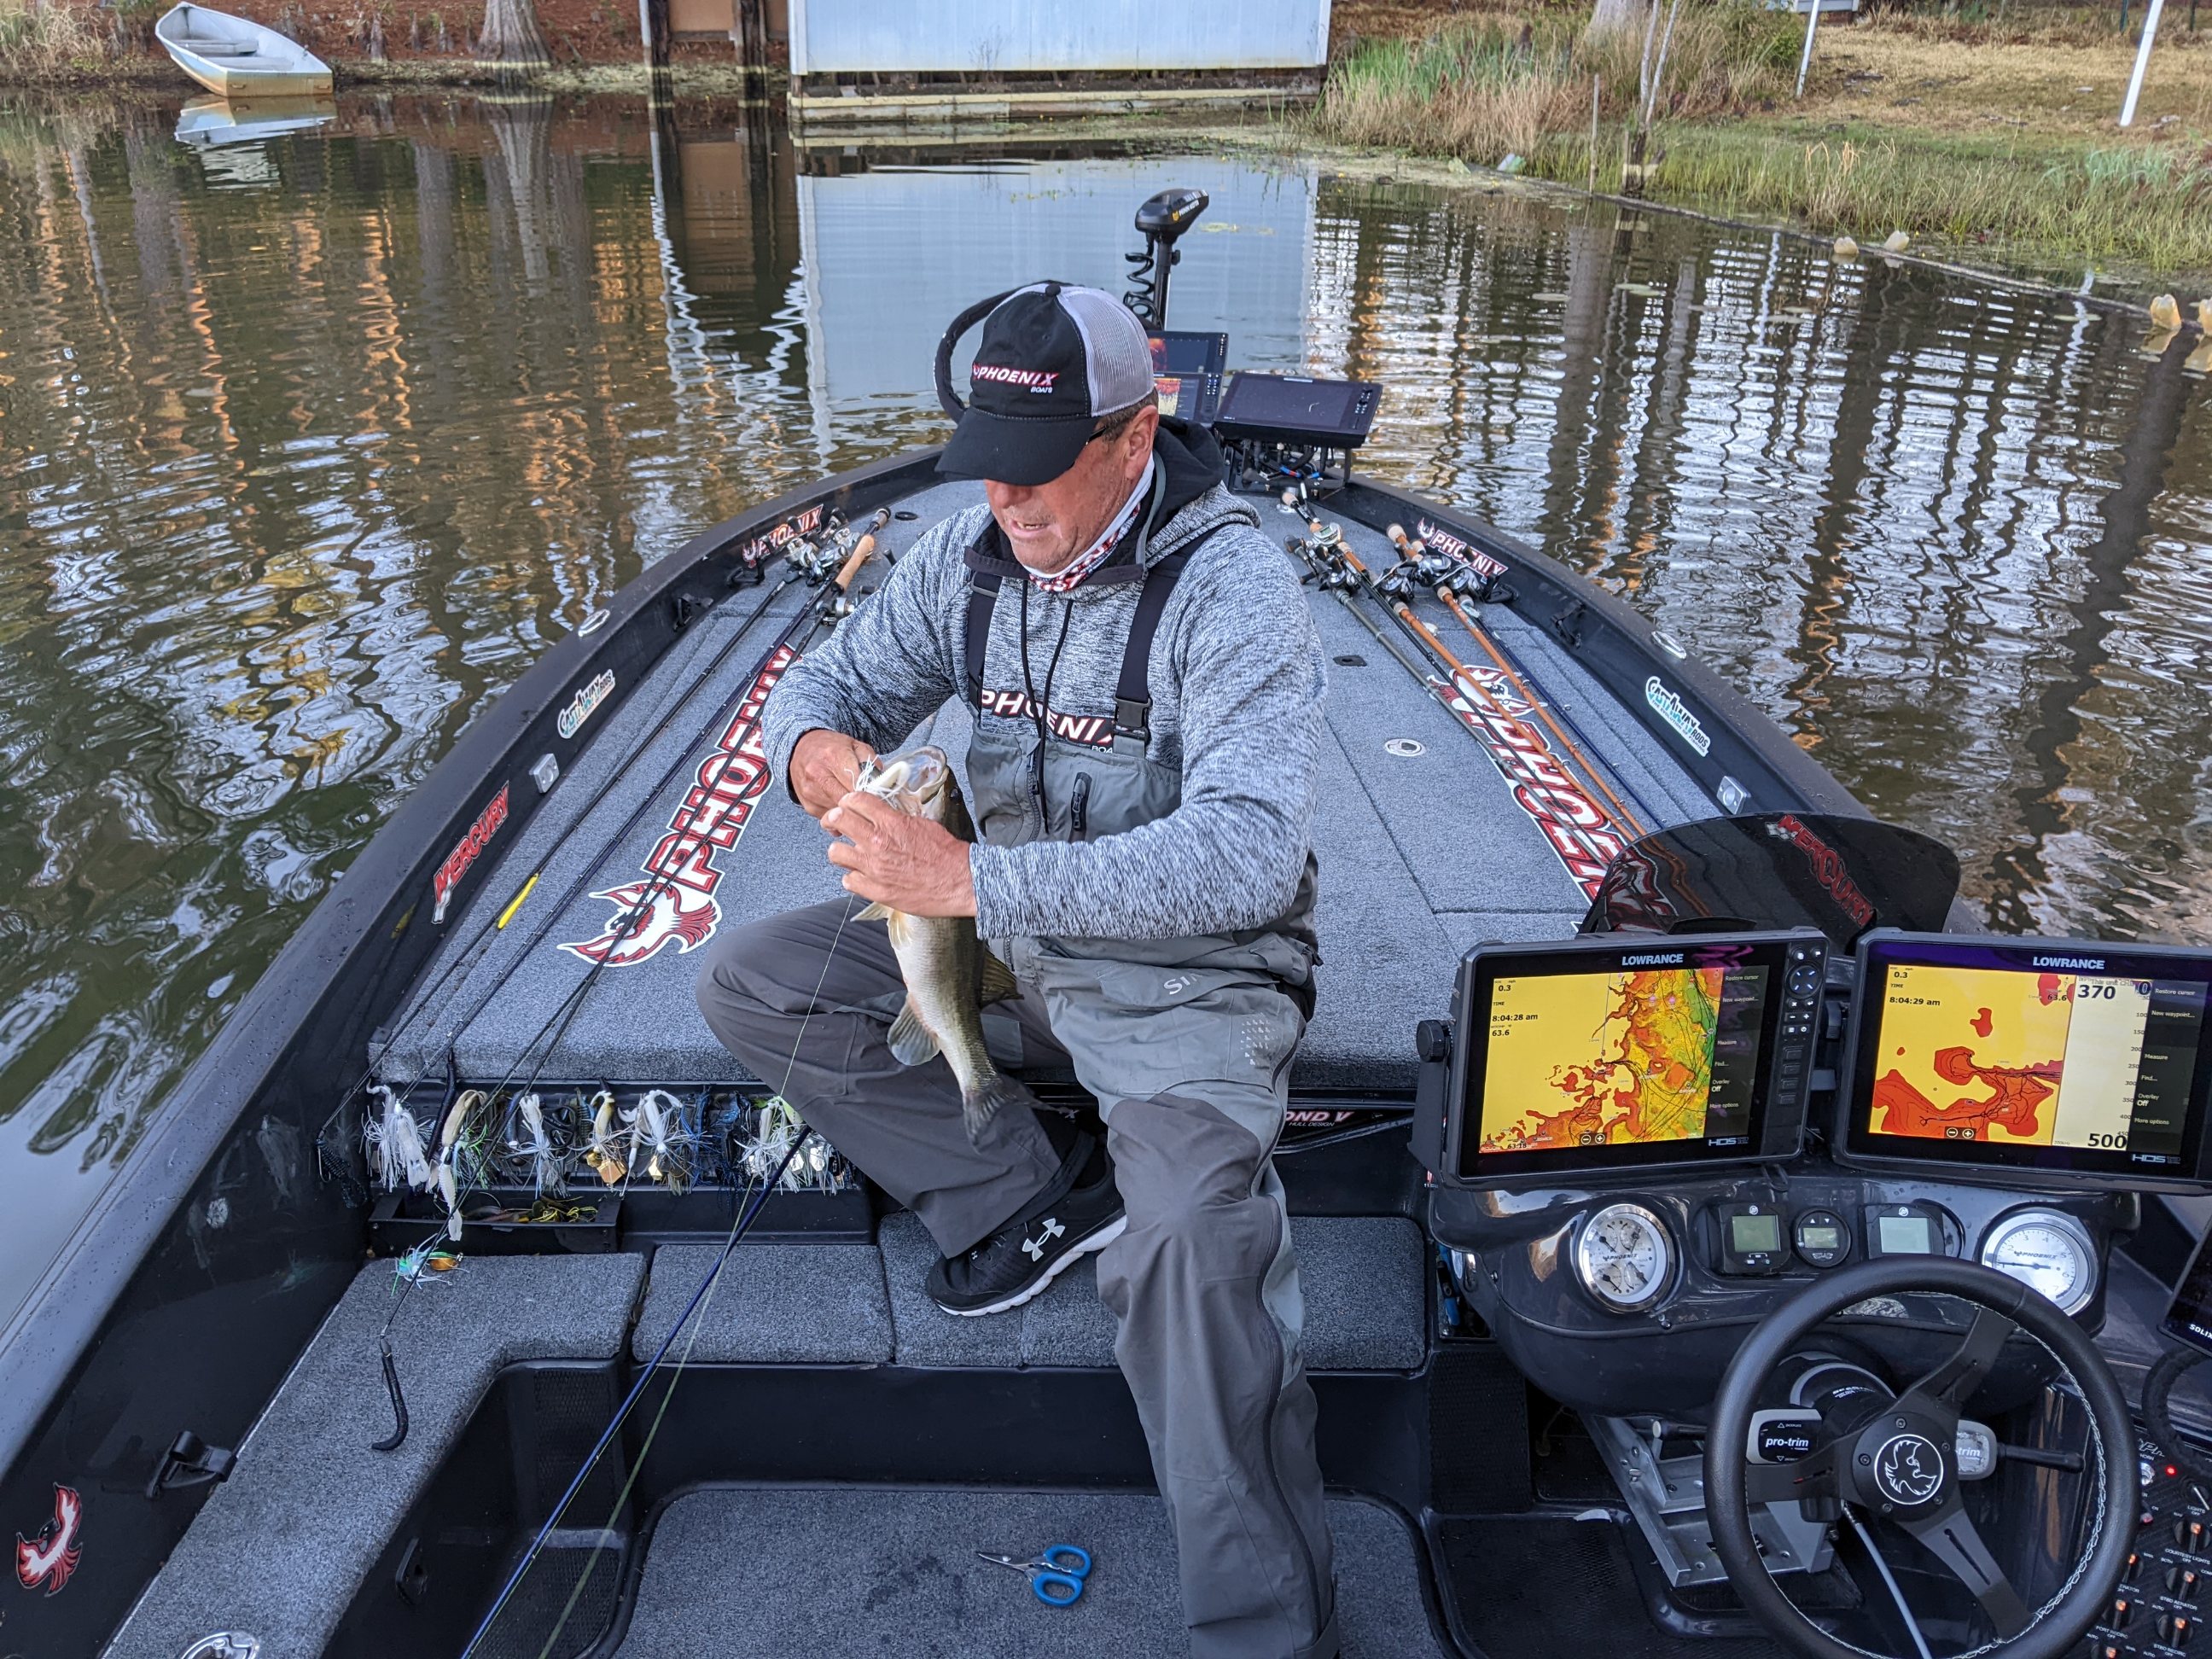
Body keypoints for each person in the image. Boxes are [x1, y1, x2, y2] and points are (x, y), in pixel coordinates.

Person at [696, 281, 1336, 1659]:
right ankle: (1027, 1189)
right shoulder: (968, 556)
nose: (1009, 501)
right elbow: (820, 689)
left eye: (1039, 469)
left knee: (1195, 1254)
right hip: (1003, 953)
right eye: (990, 466)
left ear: (1135, 434)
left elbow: (1248, 858)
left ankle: (1269, 1632)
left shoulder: (1234, 590)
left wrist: (969, 883)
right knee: (749, 982)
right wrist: (812, 755)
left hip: (1186, 987)